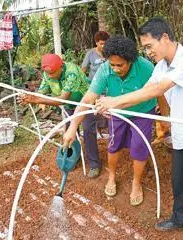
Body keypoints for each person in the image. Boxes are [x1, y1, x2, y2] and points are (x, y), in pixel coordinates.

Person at [94, 17, 183, 240]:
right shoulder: (162, 66)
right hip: (181, 133)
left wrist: (115, 101)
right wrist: (111, 106)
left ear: (164, 38)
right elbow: (146, 89)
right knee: (179, 180)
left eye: (149, 46)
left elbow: (160, 89)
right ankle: (179, 219)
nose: (148, 52)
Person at [62, 35, 157, 206]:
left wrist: (164, 118)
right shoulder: (105, 70)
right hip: (117, 113)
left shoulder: (145, 68)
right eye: (112, 64)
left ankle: (136, 183)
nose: (115, 69)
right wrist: (72, 127)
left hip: (143, 112)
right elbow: (88, 98)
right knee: (114, 146)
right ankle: (111, 177)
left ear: (131, 61)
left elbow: (159, 92)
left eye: (119, 65)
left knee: (139, 147)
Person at [17, 53, 103, 178]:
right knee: (70, 132)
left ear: (61, 67)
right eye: (48, 74)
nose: (50, 76)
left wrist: (36, 99)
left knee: (88, 130)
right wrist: (30, 97)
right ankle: (74, 157)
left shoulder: (71, 72)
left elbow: (63, 99)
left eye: (53, 73)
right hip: (70, 106)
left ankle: (94, 164)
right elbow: (42, 92)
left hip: (85, 103)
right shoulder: (48, 74)